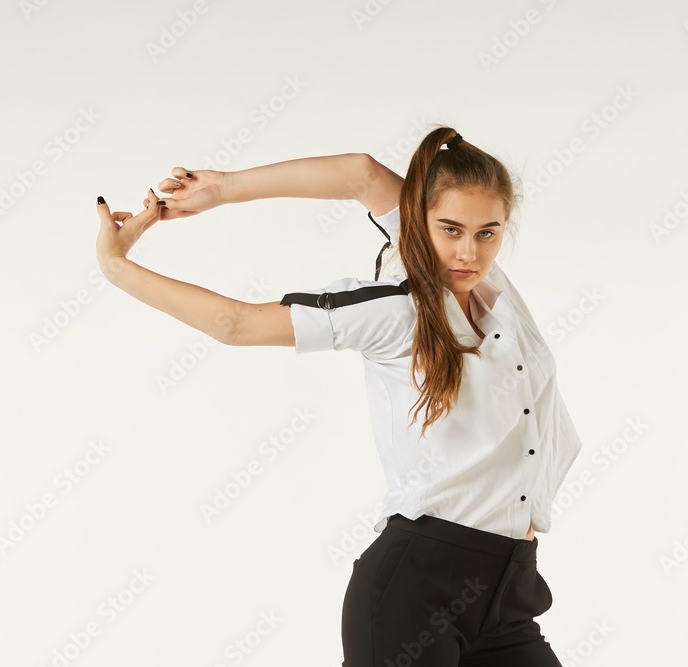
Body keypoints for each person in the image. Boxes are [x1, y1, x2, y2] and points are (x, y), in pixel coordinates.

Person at [93, 124, 583, 666]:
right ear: (419, 223)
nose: (468, 251)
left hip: (508, 593)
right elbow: (236, 324)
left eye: (488, 232)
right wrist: (116, 267)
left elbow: (361, 174)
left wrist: (222, 187)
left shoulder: (495, 296)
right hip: (414, 593)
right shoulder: (395, 311)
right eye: (450, 229)